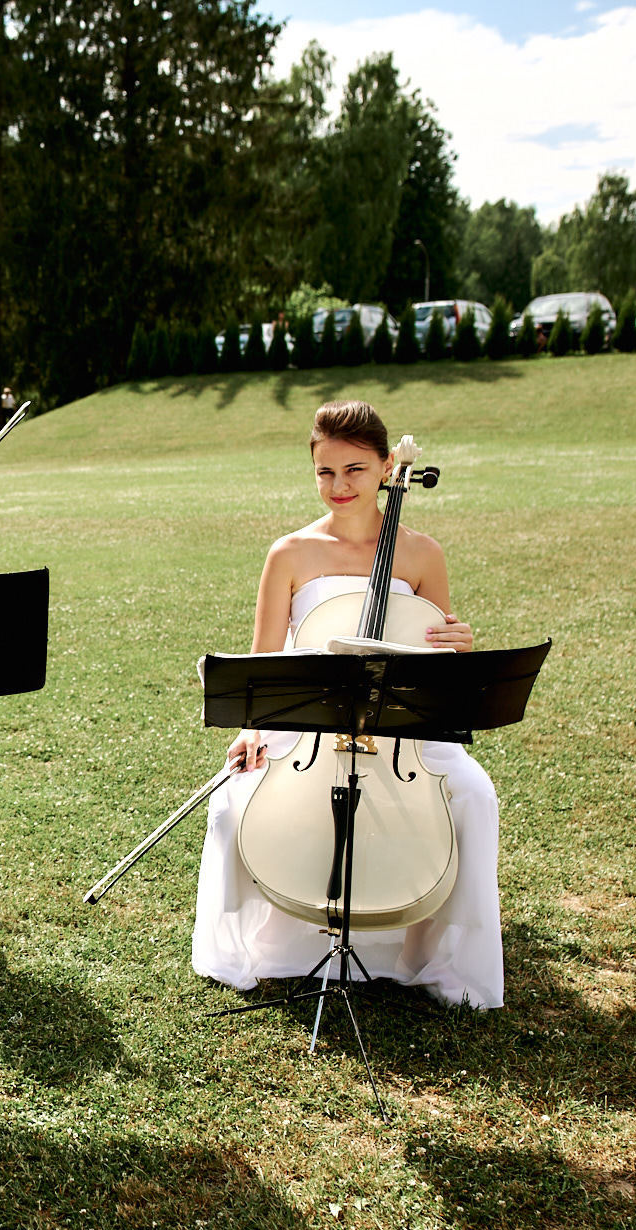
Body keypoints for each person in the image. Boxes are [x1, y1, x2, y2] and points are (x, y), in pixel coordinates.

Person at [193, 400, 504, 1009]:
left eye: (355, 471)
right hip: (308, 722)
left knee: (473, 793)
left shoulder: (422, 555)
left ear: (389, 467)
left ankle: (441, 953)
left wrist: (459, 645)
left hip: (399, 730)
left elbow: (436, 662)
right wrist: (251, 729)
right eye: (325, 472)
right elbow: (263, 662)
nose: (338, 486)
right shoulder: (289, 552)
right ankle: (272, 939)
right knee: (233, 803)